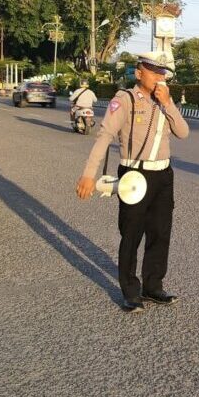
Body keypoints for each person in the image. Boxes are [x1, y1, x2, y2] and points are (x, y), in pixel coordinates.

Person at [75, 51, 190, 313]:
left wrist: (168, 104)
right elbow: (104, 136)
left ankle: (153, 286)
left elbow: (183, 133)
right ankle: (130, 291)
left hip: (163, 175)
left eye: (163, 73)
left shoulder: (165, 101)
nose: (160, 77)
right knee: (131, 234)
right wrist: (88, 174)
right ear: (139, 73)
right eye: (154, 71)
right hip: (134, 175)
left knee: (160, 233)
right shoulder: (125, 99)